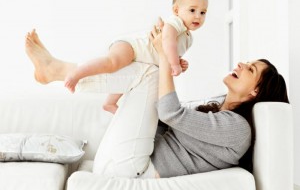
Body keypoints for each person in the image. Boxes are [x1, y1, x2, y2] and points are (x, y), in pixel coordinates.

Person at [25, 20, 289, 178]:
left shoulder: (237, 128)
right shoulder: (219, 107)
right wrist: (163, 57)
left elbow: (170, 113)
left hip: (132, 168)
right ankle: (58, 70)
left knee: (151, 71)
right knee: (148, 67)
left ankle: (58, 70)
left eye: (251, 69)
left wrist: (165, 56)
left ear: (255, 92)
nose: (242, 64)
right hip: (123, 159)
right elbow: (165, 117)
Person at [63, 0, 208, 114]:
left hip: (141, 58)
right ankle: (77, 73)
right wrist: (175, 64)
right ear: (176, 10)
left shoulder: (189, 38)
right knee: (113, 63)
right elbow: (167, 41)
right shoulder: (175, 23)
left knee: (127, 80)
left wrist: (179, 62)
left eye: (203, 12)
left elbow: (171, 52)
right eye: (192, 10)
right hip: (132, 47)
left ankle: (109, 103)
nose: (198, 16)